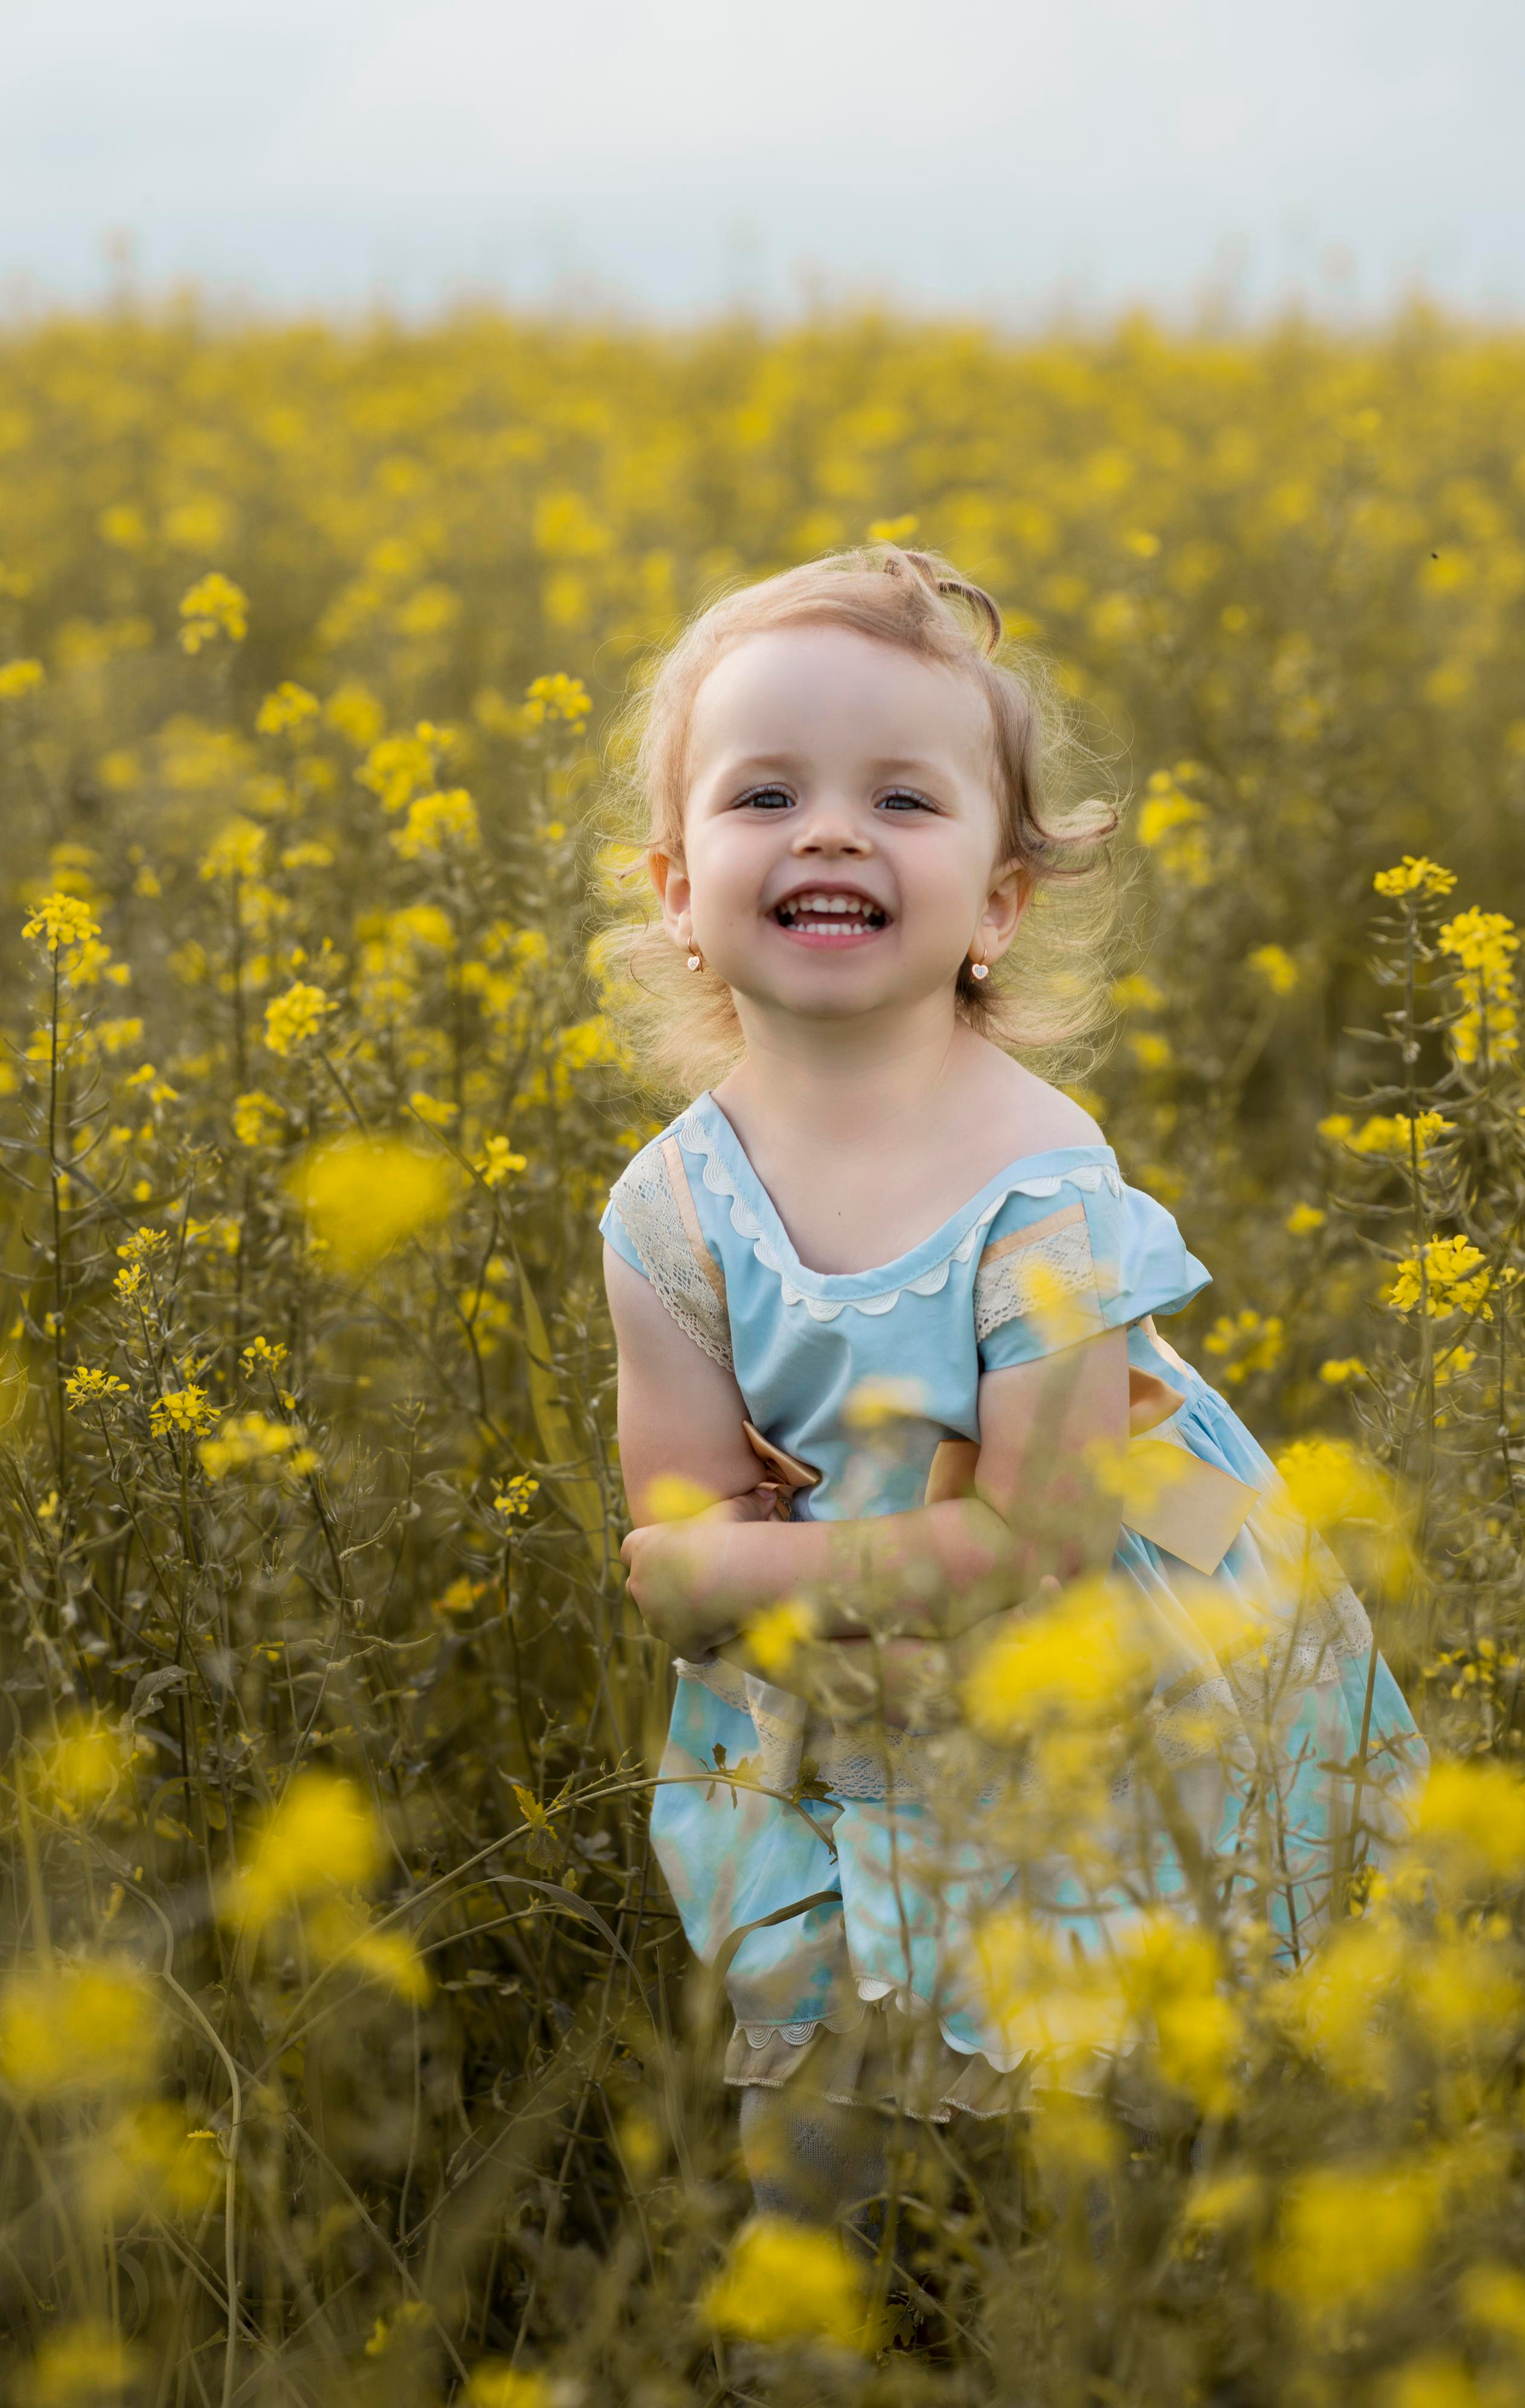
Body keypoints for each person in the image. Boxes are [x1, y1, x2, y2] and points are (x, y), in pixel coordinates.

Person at [597, 545, 1424, 2224]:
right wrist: (710, 1560)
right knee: (806, 2021)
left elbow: (1022, 1544)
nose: (832, 831)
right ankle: (801, 2312)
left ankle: (1117, 2296)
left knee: (1103, 2020)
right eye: (769, 795)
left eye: (902, 798)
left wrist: (730, 1571)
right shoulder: (669, 1205)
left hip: (1097, 1633)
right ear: (682, 887)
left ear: (996, 904)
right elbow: (677, 1505)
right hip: (846, 1666)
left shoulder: (1044, 1177)